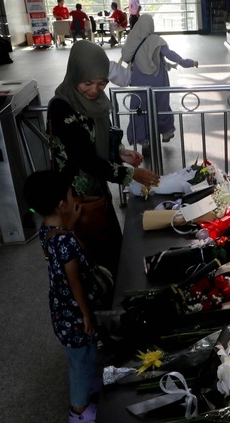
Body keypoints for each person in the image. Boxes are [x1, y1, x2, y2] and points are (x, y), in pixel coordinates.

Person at [47, 40, 159, 275]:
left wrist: (119, 153)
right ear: (75, 73)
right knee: (90, 261)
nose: (94, 90)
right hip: (75, 200)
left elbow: (99, 139)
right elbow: (85, 158)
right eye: (87, 82)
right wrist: (132, 175)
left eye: (101, 83)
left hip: (97, 191)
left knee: (112, 252)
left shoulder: (96, 103)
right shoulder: (61, 107)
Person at [23, 169, 102, 423]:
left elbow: (60, 235)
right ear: (61, 204)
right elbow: (74, 280)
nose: (73, 198)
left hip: (61, 310)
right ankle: (79, 409)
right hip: (74, 313)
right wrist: (86, 312)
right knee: (79, 359)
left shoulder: (48, 231)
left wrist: (69, 224)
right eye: (70, 195)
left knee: (84, 351)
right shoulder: (65, 241)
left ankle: (91, 383)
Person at [123, 15, 198, 148]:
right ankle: (166, 132)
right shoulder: (156, 40)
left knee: (139, 109)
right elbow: (170, 54)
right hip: (157, 80)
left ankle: (143, 140)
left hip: (138, 81)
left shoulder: (132, 40)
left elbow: (126, 57)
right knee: (161, 105)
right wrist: (185, 62)